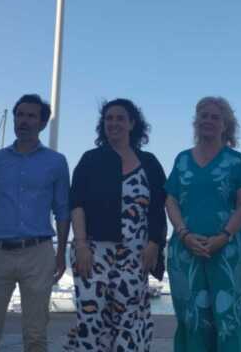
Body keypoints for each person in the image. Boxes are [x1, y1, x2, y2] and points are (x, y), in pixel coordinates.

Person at [64, 99, 167, 351]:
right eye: (109, 118)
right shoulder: (90, 159)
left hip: (135, 255)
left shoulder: (149, 163)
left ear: (132, 123)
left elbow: (158, 208)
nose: (114, 123)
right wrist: (81, 245)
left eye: (120, 118)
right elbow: (76, 203)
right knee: (91, 319)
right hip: (93, 252)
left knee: (130, 320)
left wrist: (154, 244)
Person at [0, 94, 70, 352]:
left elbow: (62, 210)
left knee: (36, 335)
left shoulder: (56, 163)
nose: (23, 121)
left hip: (38, 253)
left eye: (31, 116)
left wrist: (61, 254)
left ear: (41, 123)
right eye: (20, 115)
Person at [165, 96, 241, 352]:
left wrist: (223, 236)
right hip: (186, 252)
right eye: (203, 116)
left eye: (214, 117)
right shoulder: (182, 159)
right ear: (196, 122)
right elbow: (170, 200)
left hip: (228, 252)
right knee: (191, 317)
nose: (207, 120)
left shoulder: (236, 161)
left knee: (231, 317)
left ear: (225, 125)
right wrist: (183, 234)